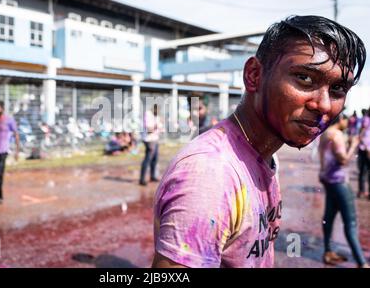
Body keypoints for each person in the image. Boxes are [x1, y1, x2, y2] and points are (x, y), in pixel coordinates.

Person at [152, 15, 366, 268]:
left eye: (338, 89)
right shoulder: (211, 174)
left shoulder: (263, 153)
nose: (323, 105)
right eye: (305, 78)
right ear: (254, 75)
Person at [318, 114, 369, 267]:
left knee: (329, 216)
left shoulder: (325, 133)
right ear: (340, 120)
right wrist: (354, 144)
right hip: (339, 182)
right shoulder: (337, 135)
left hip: (328, 179)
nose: (347, 122)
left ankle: (328, 251)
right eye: (345, 119)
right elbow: (344, 160)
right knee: (351, 223)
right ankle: (362, 262)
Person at [139, 104, 162, 186]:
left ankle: (152, 176)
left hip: (155, 139)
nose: (158, 111)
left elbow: (159, 128)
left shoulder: (156, 116)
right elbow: (149, 129)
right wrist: (157, 126)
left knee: (155, 158)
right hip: (149, 140)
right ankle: (142, 179)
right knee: (148, 159)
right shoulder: (148, 114)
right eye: (157, 109)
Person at [357, 107, 370, 198]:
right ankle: (363, 192)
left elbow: (361, 134)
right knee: (364, 172)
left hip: (364, 148)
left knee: (363, 172)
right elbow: (361, 133)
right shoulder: (366, 119)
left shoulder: (366, 119)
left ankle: (362, 191)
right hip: (365, 148)